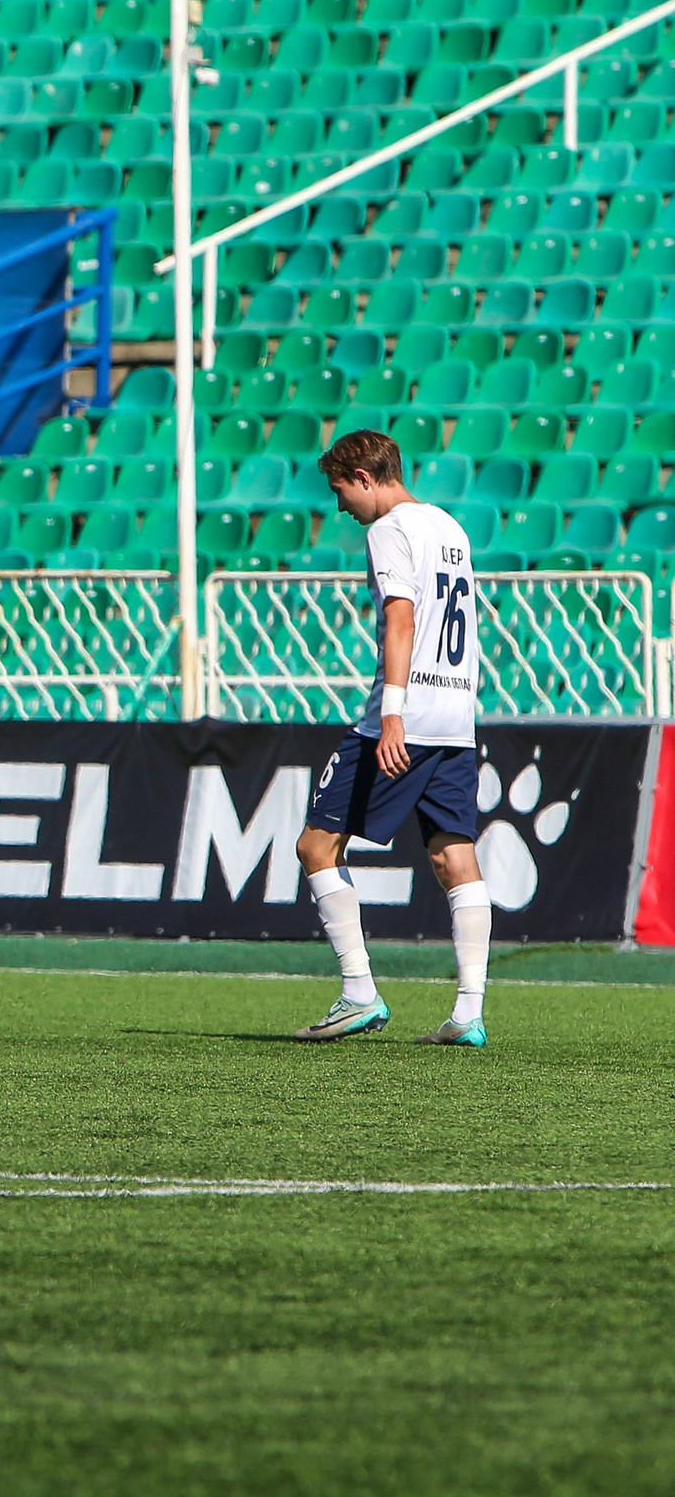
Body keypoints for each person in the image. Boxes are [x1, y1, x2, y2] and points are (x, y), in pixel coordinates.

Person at [292, 428, 491, 1047]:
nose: (340, 505)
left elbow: (400, 616)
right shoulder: (449, 527)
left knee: (316, 847)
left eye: (340, 489)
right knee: (454, 857)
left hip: (401, 717)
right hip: (457, 716)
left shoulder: (388, 530)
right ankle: (467, 1014)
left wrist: (395, 714)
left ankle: (359, 993)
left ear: (366, 478)